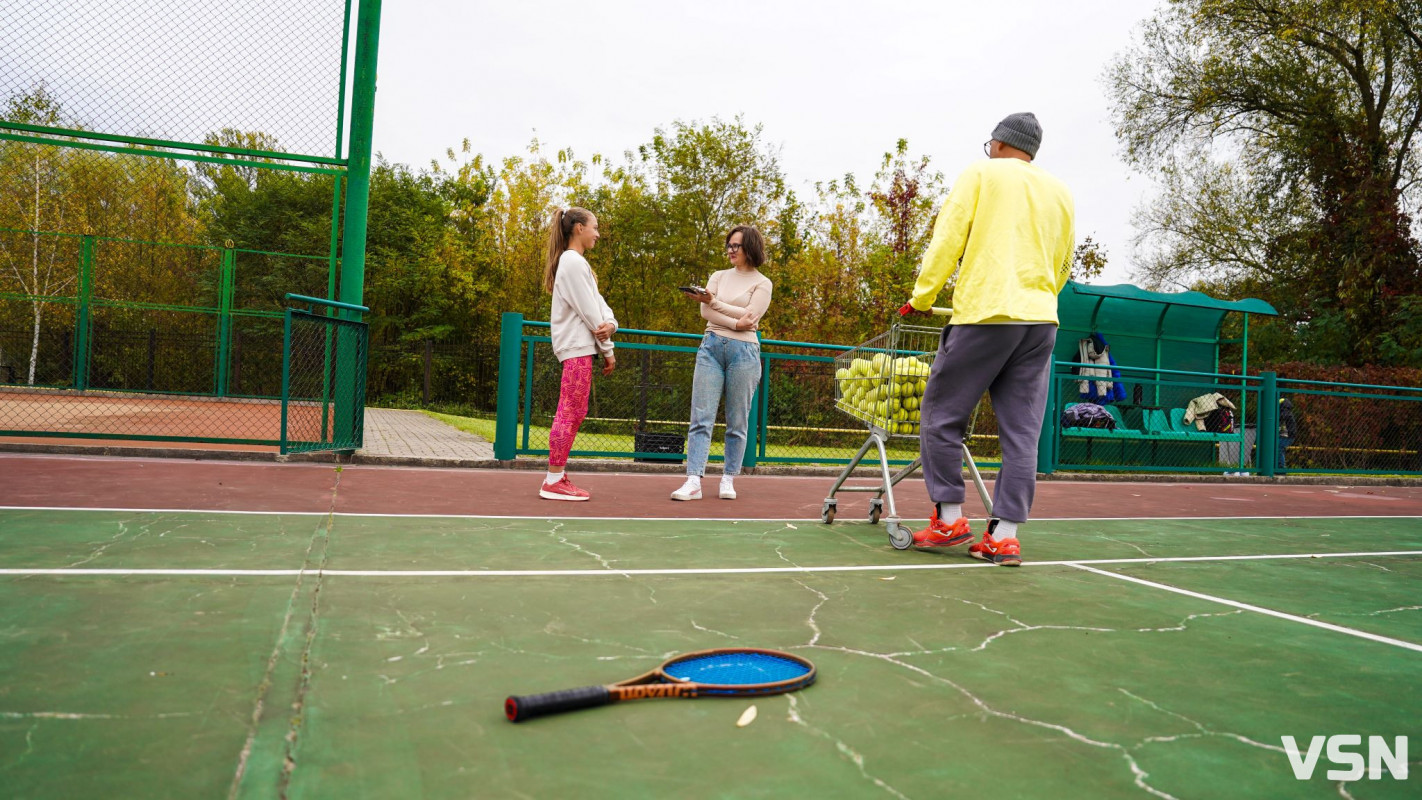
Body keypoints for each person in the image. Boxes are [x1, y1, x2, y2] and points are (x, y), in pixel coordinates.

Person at [898, 112, 1075, 566]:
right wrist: (1038, 300)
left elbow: (948, 239)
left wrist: (922, 297)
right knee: (1022, 432)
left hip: (986, 314)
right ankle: (1004, 535)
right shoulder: (1059, 192)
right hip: (1040, 322)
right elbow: (1063, 264)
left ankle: (950, 518)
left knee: (942, 416)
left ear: (998, 143)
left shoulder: (981, 173)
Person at [670, 225, 773, 501]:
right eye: (728, 245)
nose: (730, 250)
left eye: (736, 246)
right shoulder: (717, 276)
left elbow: (750, 316)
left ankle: (728, 478)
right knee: (701, 416)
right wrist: (733, 321)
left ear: (750, 247)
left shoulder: (763, 283)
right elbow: (706, 311)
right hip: (711, 347)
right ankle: (694, 480)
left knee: (737, 420)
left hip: (745, 353)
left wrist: (716, 303)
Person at [540, 207, 617, 501]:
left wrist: (612, 324)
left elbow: (599, 305)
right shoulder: (572, 262)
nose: (597, 234)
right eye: (595, 228)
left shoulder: (577, 263)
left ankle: (556, 475)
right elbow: (591, 312)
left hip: (580, 348)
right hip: (577, 348)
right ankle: (553, 480)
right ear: (579, 228)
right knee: (569, 411)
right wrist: (608, 349)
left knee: (576, 410)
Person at [1277, 396, 1298, 473]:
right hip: (1286, 435)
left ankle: (1281, 468)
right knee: (1278, 448)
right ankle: (1278, 467)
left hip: (1287, 436)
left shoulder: (1285, 413)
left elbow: (1280, 418)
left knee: (1279, 448)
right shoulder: (1286, 412)